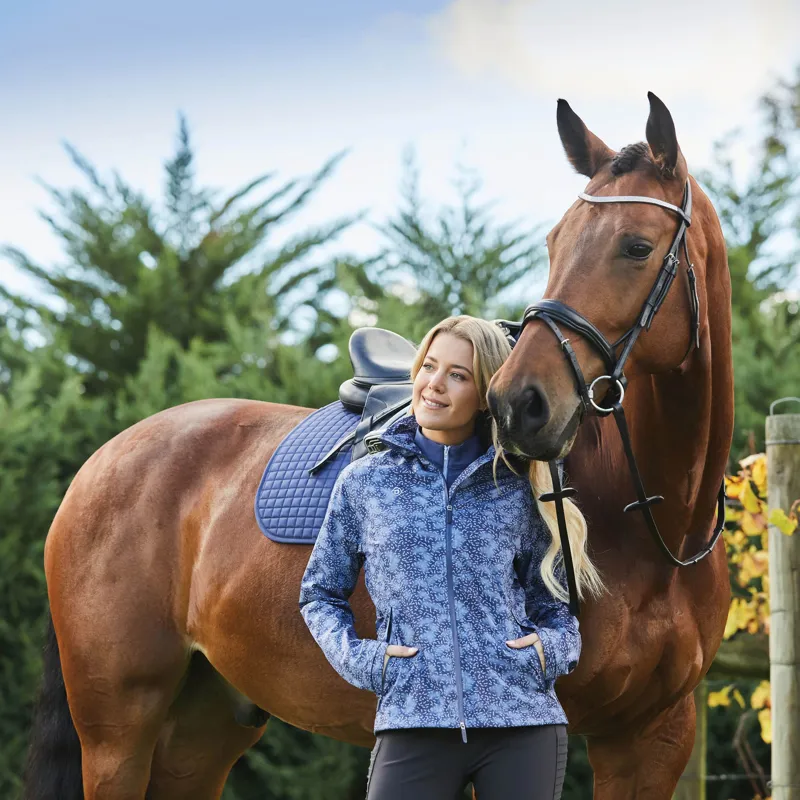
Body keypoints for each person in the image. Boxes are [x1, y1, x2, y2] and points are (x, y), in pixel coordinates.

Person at [298, 315, 604, 800]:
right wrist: (365, 661)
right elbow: (319, 594)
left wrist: (549, 652)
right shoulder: (366, 482)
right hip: (412, 718)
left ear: (485, 394)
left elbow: (555, 606)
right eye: (428, 367)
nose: (433, 385)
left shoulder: (519, 485)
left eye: (457, 375)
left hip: (520, 722)